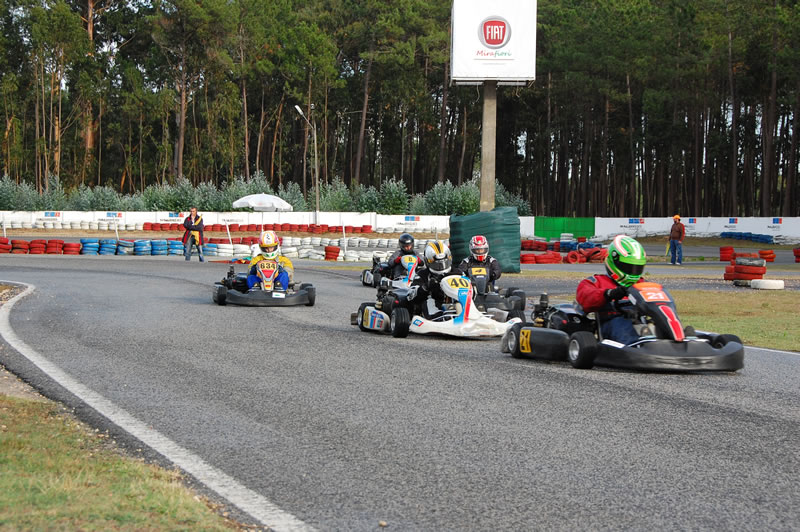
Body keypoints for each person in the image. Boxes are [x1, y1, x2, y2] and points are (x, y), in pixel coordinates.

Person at [576, 235, 647, 346]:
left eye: (637, 268)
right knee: (624, 325)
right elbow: (585, 299)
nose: (633, 272)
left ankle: (676, 343)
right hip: (614, 323)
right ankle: (634, 349)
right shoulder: (596, 282)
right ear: (614, 262)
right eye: (628, 267)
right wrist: (609, 294)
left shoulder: (643, 284)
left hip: (642, 324)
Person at [407, 240, 452, 319]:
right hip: (435, 302)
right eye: (437, 263)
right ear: (428, 261)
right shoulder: (423, 274)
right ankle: (437, 318)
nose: (441, 266)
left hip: (456, 302)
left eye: (444, 262)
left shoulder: (456, 272)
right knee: (429, 301)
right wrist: (426, 287)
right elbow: (410, 295)